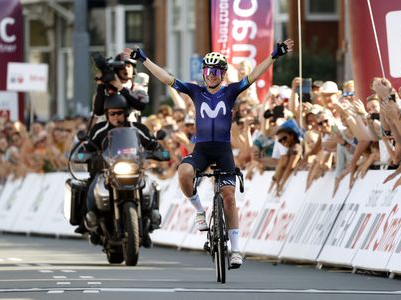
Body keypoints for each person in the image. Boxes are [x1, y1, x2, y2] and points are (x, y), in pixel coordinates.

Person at [126, 38, 294, 268]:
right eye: (208, 70)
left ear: (223, 74)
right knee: (184, 173)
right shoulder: (195, 91)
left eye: (215, 71)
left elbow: (254, 75)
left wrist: (275, 55)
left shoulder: (231, 91)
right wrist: (144, 60)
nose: (211, 74)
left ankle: (235, 250)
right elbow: (166, 78)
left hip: (223, 150)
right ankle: (199, 211)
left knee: (229, 196)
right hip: (202, 149)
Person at [82, 93, 160, 247]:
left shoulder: (138, 129)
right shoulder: (99, 130)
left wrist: (158, 150)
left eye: (120, 113)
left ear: (126, 113)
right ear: (107, 114)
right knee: (91, 190)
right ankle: (94, 226)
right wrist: (86, 154)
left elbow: (152, 143)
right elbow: (88, 147)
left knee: (152, 187)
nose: (116, 117)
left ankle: (148, 224)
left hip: (134, 170)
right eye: (112, 113)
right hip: (107, 172)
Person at [93, 53, 149, 121]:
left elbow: (141, 106)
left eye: (128, 66)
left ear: (133, 69)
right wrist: (101, 85)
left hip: (130, 128)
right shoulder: (106, 88)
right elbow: (98, 112)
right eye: (122, 67)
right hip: (107, 128)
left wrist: (120, 88)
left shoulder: (136, 88)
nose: (125, 69)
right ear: (116, 70)